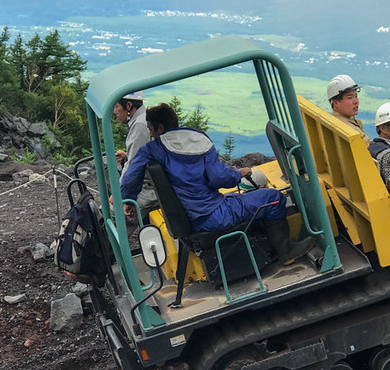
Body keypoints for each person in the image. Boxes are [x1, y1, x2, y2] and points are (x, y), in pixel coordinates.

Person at [120, 103, 314, 265]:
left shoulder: (151, 150)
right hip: (215, 215)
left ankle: (267, 250)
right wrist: (238, 174)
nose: (151, 134)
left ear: (160, 128)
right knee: (273, 198)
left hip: (190, 217)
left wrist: (128, 201)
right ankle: (287, 251)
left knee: (241, 199)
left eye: (150, 129)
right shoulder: (199, 141)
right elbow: (220, 179)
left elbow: (130, 177)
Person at [113, 91, 156, 212]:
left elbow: (134, 168)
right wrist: (127, 156)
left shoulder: (140, 126)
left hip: (149, 186)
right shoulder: (141, 120)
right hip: (148, 178)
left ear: (128, 106)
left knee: (114, 212)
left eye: (116, 107)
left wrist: (118, 195)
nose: (114, 112)